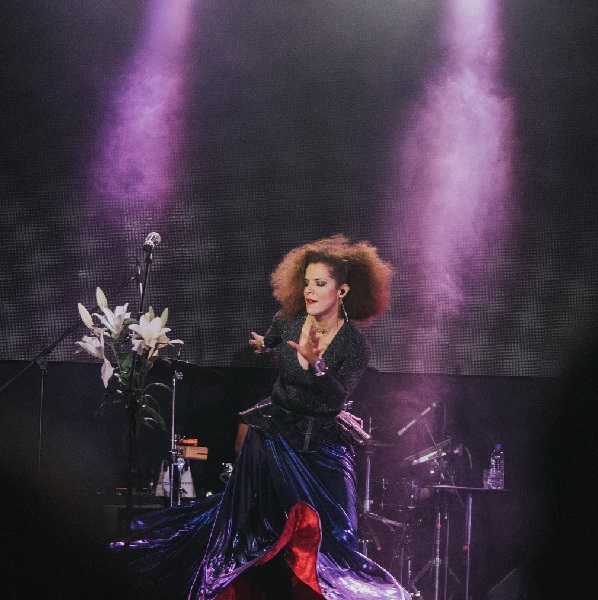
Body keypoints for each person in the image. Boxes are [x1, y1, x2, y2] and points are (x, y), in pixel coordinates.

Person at [111, 234, 410, 600]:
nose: (310, 290)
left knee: (334, 537)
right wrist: (261, 345)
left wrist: (317, 366)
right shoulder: (287, 323)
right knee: (258, 533)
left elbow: (337, 397)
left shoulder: (355, 344)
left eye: (320, 283)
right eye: (306, 282)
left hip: (321, 445)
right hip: (275, 436)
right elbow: (270, 340)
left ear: (343, 291)